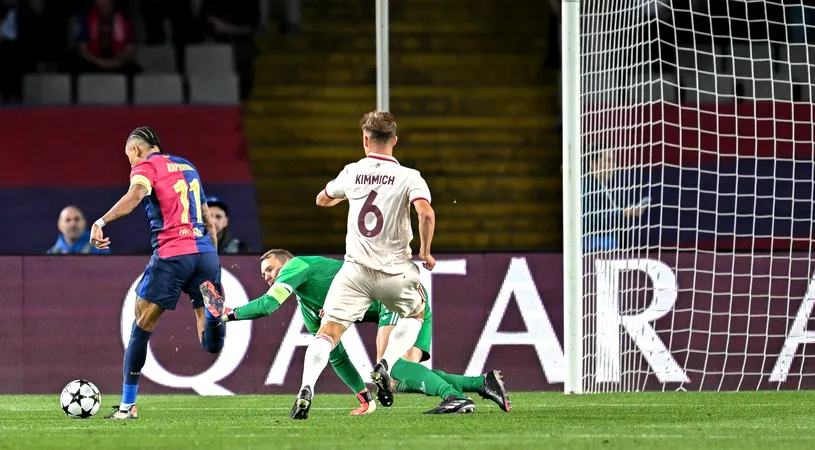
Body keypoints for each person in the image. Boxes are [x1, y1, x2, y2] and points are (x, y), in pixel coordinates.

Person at [204, 250, 511, 415]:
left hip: (399, 298)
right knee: (400, 377)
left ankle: (455, 397)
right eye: (263, 275)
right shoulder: (309, 307)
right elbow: (336, 357)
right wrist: (364, 397)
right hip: (398, 305)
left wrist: (227, 314)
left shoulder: (296, 266)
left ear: (285, 264)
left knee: (392, 369)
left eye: (270, 269)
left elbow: (269, 305)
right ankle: (482, 383)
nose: (268, 277)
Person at [289, 110, 450, 420]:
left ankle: (306, 389)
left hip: (354, 273)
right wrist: (426, 251)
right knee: (416, 312)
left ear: (365, 140)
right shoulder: (409, 177)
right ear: (395, 141)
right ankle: (385, 364)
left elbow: (322, 199)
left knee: (328, 333)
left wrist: (341, 197)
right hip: (395, 271)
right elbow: (426, 213)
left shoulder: (351, 172)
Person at [89, 126, 226, 420]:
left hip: (172, 254)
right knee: (210, 342)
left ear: (136, 150)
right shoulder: (188, 166)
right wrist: (213, 258)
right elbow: (207, 216)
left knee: (141, 325)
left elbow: (137, 194)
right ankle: (216, 316)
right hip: (205, 254)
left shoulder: (146, 166)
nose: (130, 162)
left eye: (128, 156)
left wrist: (101, 221)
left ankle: (127, 406)